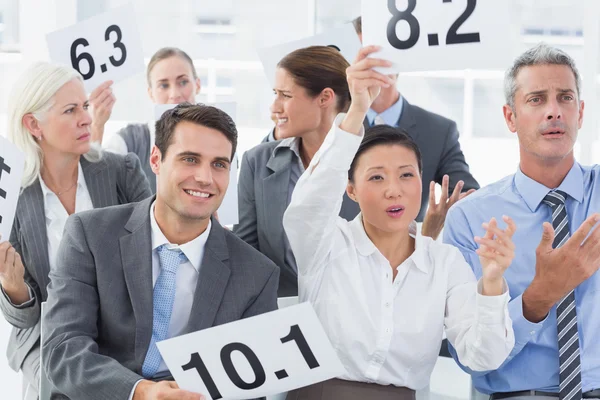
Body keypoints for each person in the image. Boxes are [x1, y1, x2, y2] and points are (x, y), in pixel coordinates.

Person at [282, 45, 516, 400]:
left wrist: (493, 284)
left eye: (407, 175)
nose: (395, 190)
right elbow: (310, 202)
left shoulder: (444, 263)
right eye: (376, 178)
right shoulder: (326, 244)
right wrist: (357, 109)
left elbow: (482, 355)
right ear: (351, 190)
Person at [41, 103, 279, 400]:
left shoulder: (257, 274)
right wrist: (140, 392)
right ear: (156, 159)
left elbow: (249, 387)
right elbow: (63, 348)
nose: (205, 178)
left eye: (219, 164)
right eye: (190, 159)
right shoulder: (90, 235)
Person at [235, 46, 466, 297]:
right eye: (275, 94)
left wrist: (428, 234)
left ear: (324, 98)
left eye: (285, 95)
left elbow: (396, 253)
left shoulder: (372, 163)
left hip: (360, 312)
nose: (274, 108)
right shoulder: (257, 161)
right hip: (280, 320)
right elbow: (246, 257)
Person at [444, 43, 600, 400]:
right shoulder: (471, 220)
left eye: (565, 98)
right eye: (536, 99)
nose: (554, 112)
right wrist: (537, 299)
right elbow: (471, 358)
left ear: (581, 112)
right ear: (510, 117)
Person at [0, 62, 151, 400]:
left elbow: (159, 249)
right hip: (48, 336)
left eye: (84, 106)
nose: (86, 117)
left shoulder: (121, 172)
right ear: (33, 124)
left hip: (123, 328)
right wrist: (13, 288)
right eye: (71, 110)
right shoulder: (12, 199)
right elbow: (23, 319)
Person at [352, 16, 479, 222]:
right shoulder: (335, 126)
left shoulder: (438, 130)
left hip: (409, 249)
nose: (371, 62)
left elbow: (468, 195)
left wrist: (450, 215)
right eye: (362, 54)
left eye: (377, 52)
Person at [92, 47, 202, 193]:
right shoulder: (129, 141)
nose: (174, 94)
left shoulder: (217, 140)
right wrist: (96, 127)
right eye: (163, 85)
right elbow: (98, 183)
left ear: (197, 85)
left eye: (183, 82)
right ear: (150, 93)